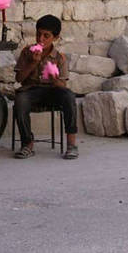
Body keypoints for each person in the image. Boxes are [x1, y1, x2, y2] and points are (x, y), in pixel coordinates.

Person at [13, 14, 79, 160]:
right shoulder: (27, 52)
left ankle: (71, 144)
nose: (40, 39)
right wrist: (32, 63)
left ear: (55, 38)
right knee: (20, 100)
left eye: (46, 36)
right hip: (31, 91)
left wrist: (54, 79)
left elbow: (62, 84)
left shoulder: (59, 57)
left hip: (52, 92)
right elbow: (19, 79)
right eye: (38, 34)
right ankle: (27, 144)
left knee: (69, 96)